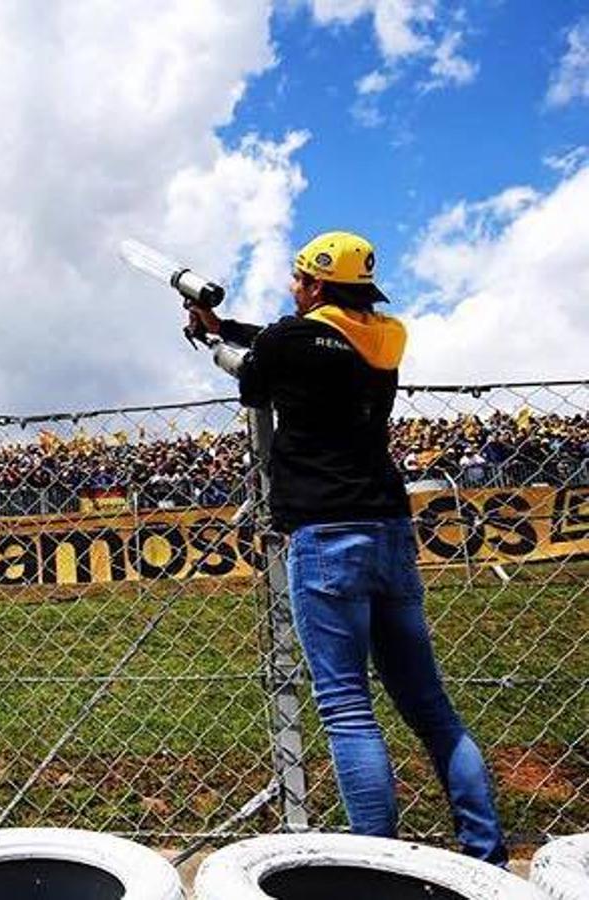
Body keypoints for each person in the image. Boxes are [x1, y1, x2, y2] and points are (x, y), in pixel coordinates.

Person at [189, 231, 508, 866]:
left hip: (325, 534)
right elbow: (299, 342)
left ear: (313, 285)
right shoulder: (384, 339)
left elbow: (255, 381)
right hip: (389, 528)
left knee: (347, 710)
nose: (292, 287)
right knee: (432, 710)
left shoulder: (289, 337)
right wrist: (228, 325)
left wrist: (212, 341)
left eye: (298, 278)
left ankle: (378, 867)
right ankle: (486, 853)